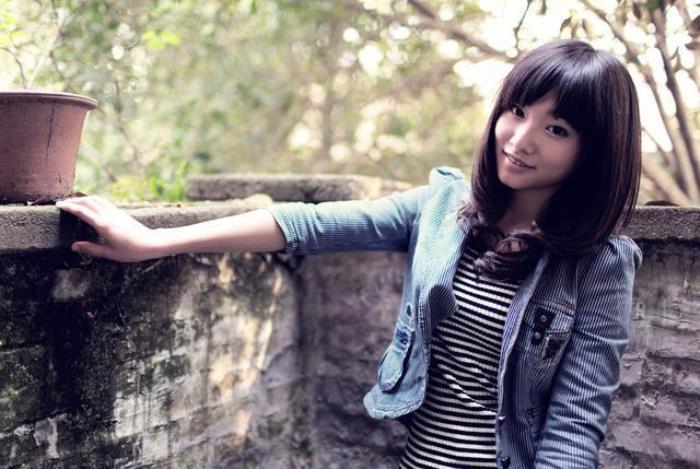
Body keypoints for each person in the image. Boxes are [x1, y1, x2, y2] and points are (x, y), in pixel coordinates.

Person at [55, 39, 643, 468]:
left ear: (594, 151)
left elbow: (574, 426)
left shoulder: (600, 263)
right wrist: (154, 241)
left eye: (556, 129)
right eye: (517, 111)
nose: (521, 139)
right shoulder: (443, 207)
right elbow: (306, 225)